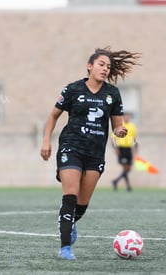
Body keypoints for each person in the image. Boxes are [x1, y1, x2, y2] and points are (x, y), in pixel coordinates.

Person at [40, 47, 141, 260]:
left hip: (95, 153)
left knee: (82, 204)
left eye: (108, 67)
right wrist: (46, 141)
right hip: (71, 146)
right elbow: (53, 116)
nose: (105, 69)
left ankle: (70, 221)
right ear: (90, 66)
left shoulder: (112, 94)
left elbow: (117, 126)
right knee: (71, 195)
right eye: (101, 64)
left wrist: (119, 130)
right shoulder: (73, 89)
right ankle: (65, 247)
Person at [111, 112, 138, 192]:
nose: (126, 118)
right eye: (125, 116)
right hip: (121, 148)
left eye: (128, 116)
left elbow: (134, 138)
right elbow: (113, 138)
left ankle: (115, 181)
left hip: (128, 149)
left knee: (128, 168)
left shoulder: (132, 126)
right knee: (125, 168)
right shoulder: (120, 126)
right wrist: (115, 148)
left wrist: (136, 150)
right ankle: (128, 186)